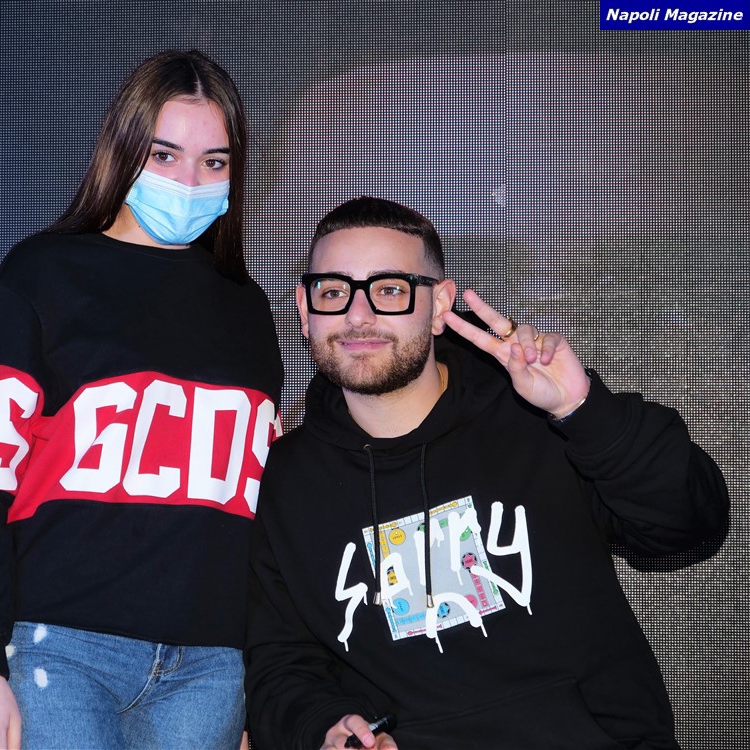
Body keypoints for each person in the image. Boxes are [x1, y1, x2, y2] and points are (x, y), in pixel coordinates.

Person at [243, 196, 728, 750]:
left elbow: (690, 526)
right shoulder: (287, 479)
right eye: (334, 292)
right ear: (305, 311)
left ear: (440, 304)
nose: (358, 315)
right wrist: (324, 727)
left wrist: (583, 410)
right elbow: (282, 663)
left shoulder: (538, 419)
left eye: (390, 290)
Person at [0, 49, 283, 750]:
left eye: (214, 161)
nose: (188, 181)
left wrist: (256, 684)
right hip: (63, 652)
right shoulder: (44, 275)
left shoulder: (247, 307)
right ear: (123, 150)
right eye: (164, 154)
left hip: (210, 668)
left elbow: (256, 507)